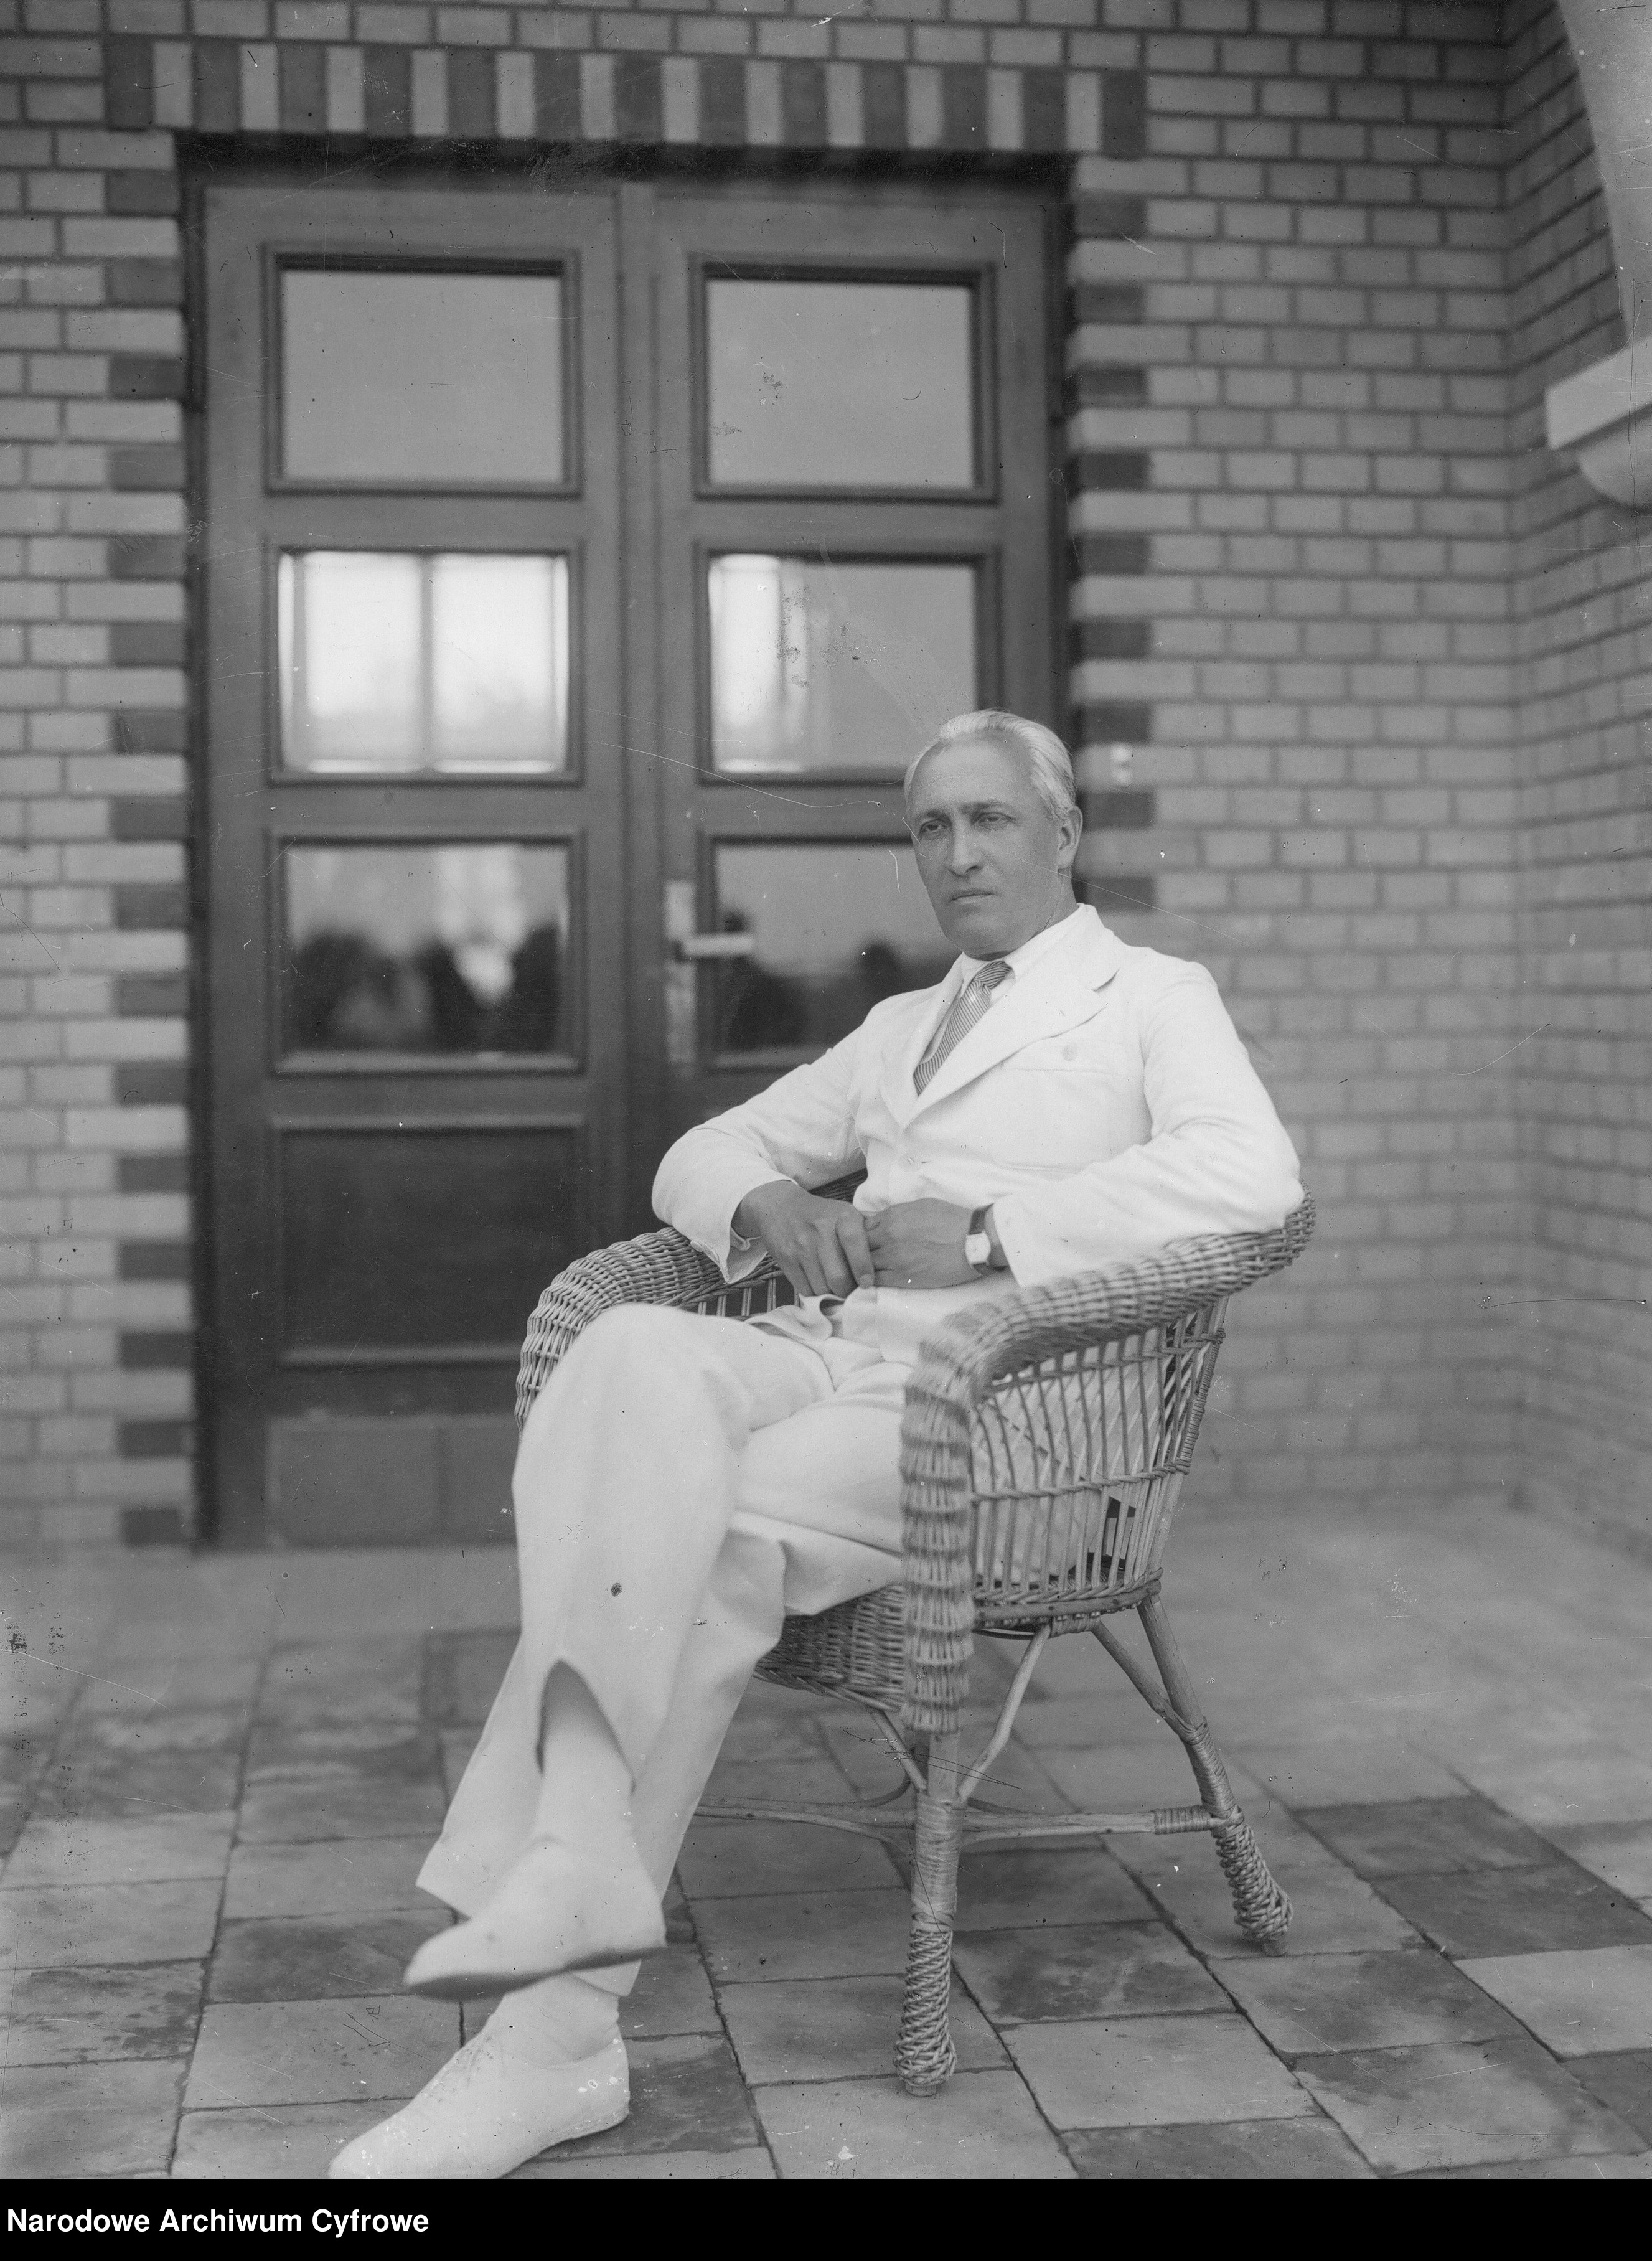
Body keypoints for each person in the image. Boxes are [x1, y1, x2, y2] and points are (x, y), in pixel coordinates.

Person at [330, 710, 1303, 2179]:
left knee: (696, 1540)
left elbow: (1252, 1173)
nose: (958, 853)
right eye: (931, 827)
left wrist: (990, 1234)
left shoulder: (1150, 996)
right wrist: (769, 1209)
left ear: (1062, 833)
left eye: (989, 819)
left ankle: (552, 2035)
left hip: (1008, 1414)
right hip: (837, 1358)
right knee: (628, 1349)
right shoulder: (905, 1024)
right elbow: (702, 1152)